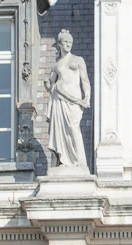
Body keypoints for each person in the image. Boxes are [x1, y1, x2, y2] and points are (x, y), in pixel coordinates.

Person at [45, 29, 91, 170]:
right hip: (59, 99)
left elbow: (85, 81)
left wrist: (87, 97)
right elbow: (50, 82)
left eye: (70, 42)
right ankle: (64, 161)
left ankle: (80, 162)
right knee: (62, 132)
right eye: (65, 42)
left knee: (73, 128)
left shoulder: (77, 60)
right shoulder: (57, 64)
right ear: (60, 44)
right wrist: (49, 86)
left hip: (74, 100)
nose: (68, 44)